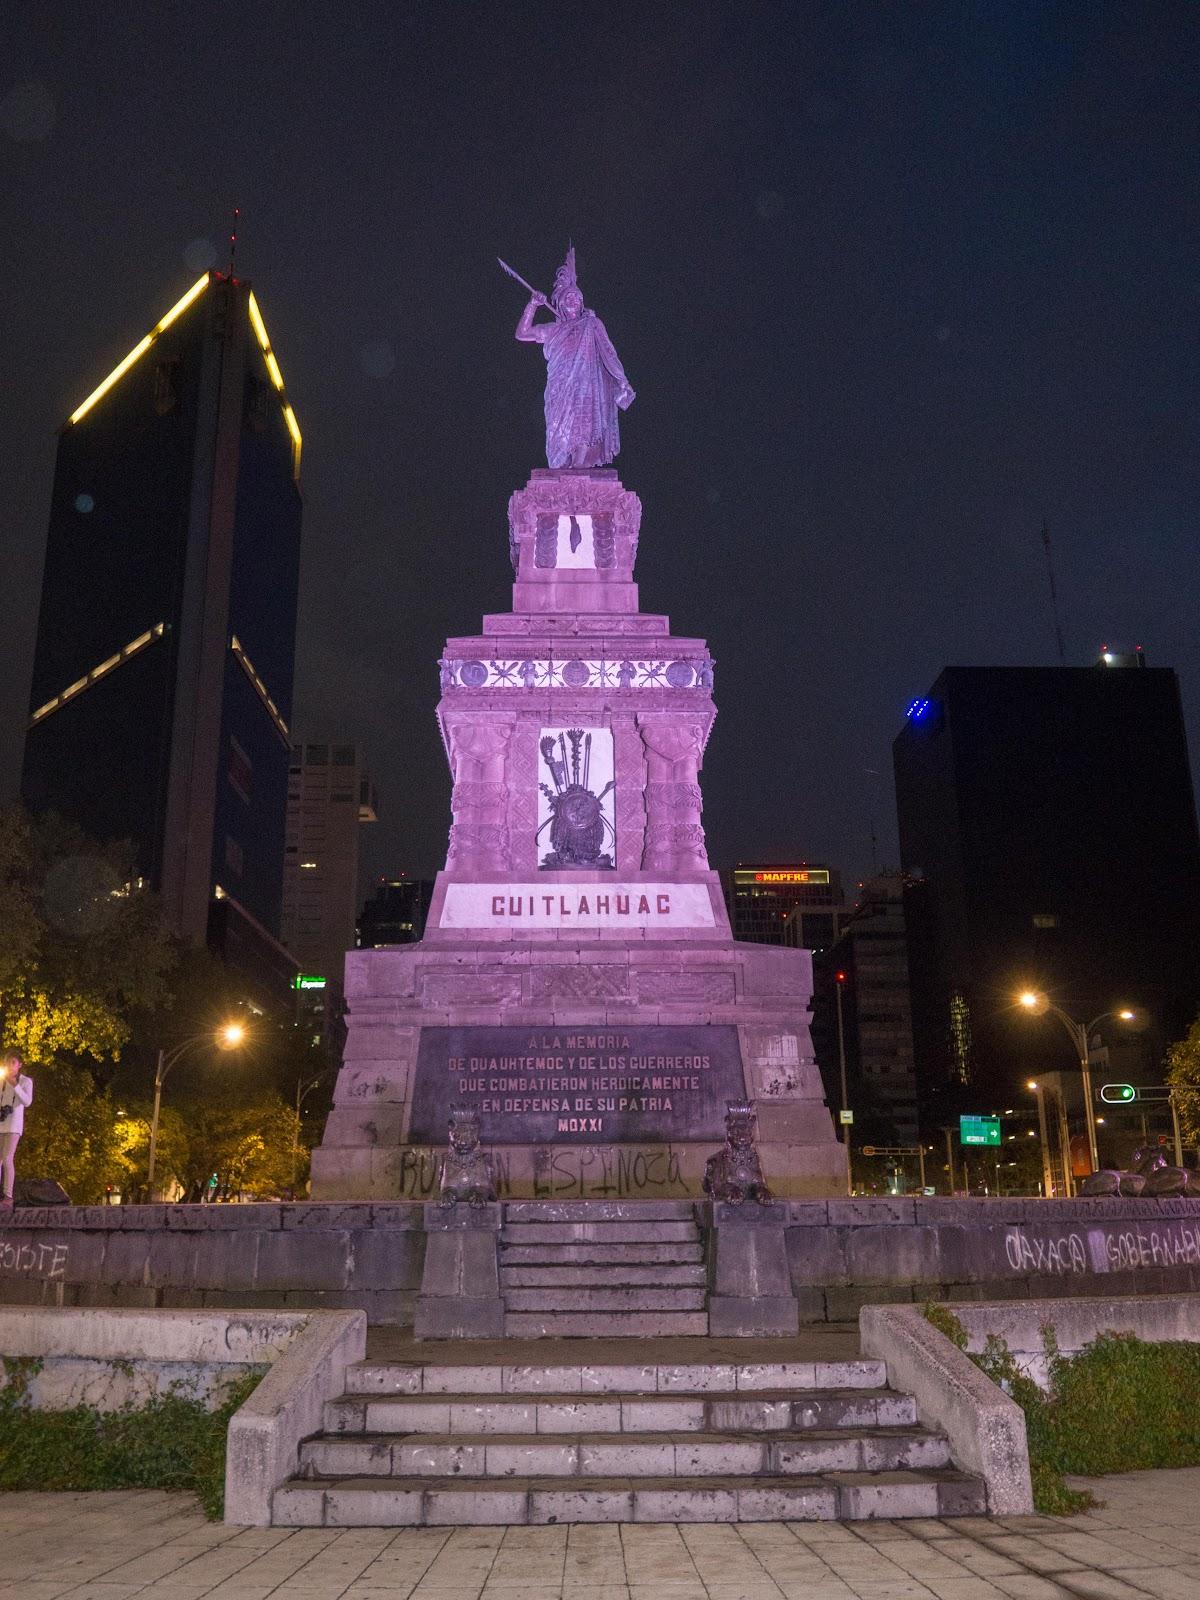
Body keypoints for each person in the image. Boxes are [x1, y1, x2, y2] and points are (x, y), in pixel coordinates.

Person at [515, 246, 635, 469]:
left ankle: (580, 466)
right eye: (568, 297)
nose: (573, 300)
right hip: (559, 387)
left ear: (581, 303)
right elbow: (522, 333)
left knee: (584, 420)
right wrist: (532, 305)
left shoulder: (592, 324)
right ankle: (562, 467)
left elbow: (609, 353)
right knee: (558, 427)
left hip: (585, 384)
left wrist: (622, 379)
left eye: (577, 298)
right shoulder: (552, 330)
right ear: (560, 302)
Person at [0, 1051, 33, 1208]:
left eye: (13, 1062)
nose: (9, 1065)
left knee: (7, 1158)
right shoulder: (1, 1080)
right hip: (1, 1124)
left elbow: (27, 1102)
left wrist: (15, 1085)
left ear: (19, 1064)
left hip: (14, 1126)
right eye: (7, 1062)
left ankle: (8, 1196)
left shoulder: (26, 1081)